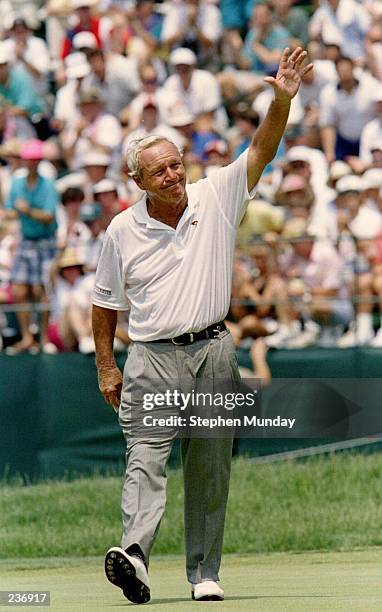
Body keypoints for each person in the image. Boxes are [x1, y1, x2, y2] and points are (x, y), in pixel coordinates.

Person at [92, 47, 312, 604]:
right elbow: (104, 303)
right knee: (144, 456)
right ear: (137, 180)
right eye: (160, 170)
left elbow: (262, 147)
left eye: (176, 163)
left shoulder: (216, 194)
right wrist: (105, 366)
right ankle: (135, 555)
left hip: (213, 349)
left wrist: (280, 99)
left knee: (210, 462)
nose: (173, 174)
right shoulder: (120, 230)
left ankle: (203, 573)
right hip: (150, 357)